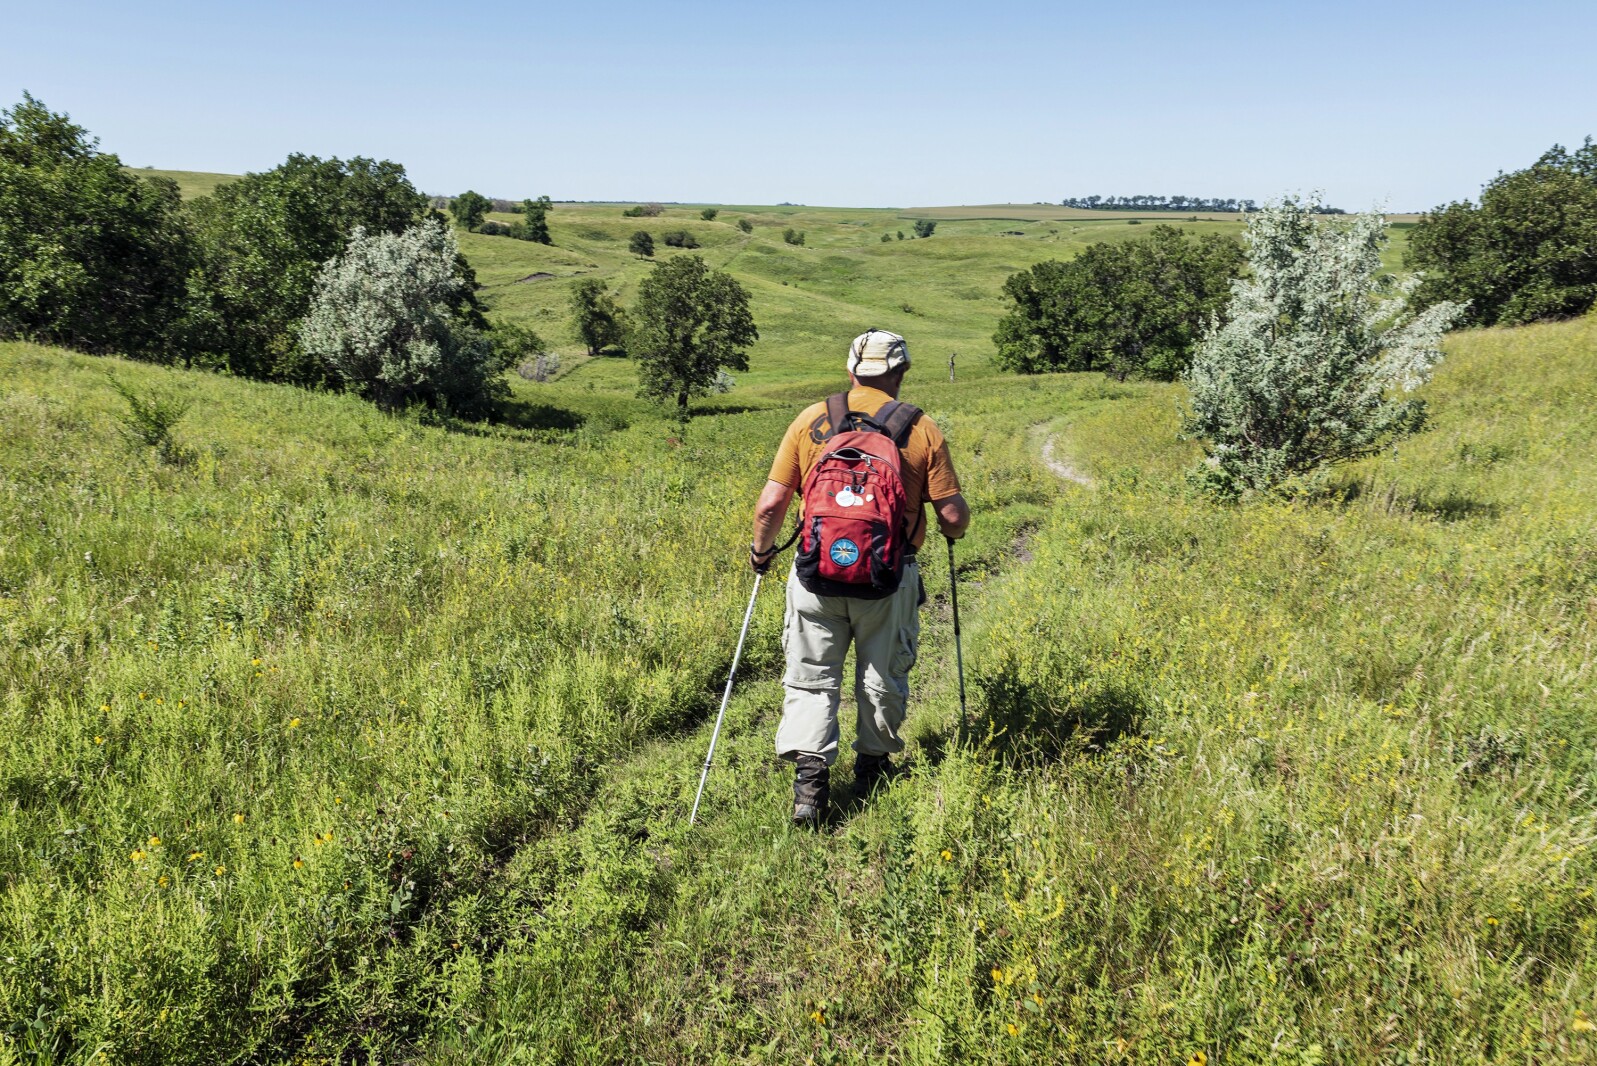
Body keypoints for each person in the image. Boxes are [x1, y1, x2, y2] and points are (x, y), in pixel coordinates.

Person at [749, 329, 970, 827]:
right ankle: (871, 772)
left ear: (851, 370)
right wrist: (945, 524)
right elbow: (953, 518)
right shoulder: (922, 429)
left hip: (814, 578)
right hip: (888, 579)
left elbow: (770, 506)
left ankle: (809, 787)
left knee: (811, 678)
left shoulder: (811, 421)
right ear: (901, 372)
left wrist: (760, 555)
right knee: (881, 676)